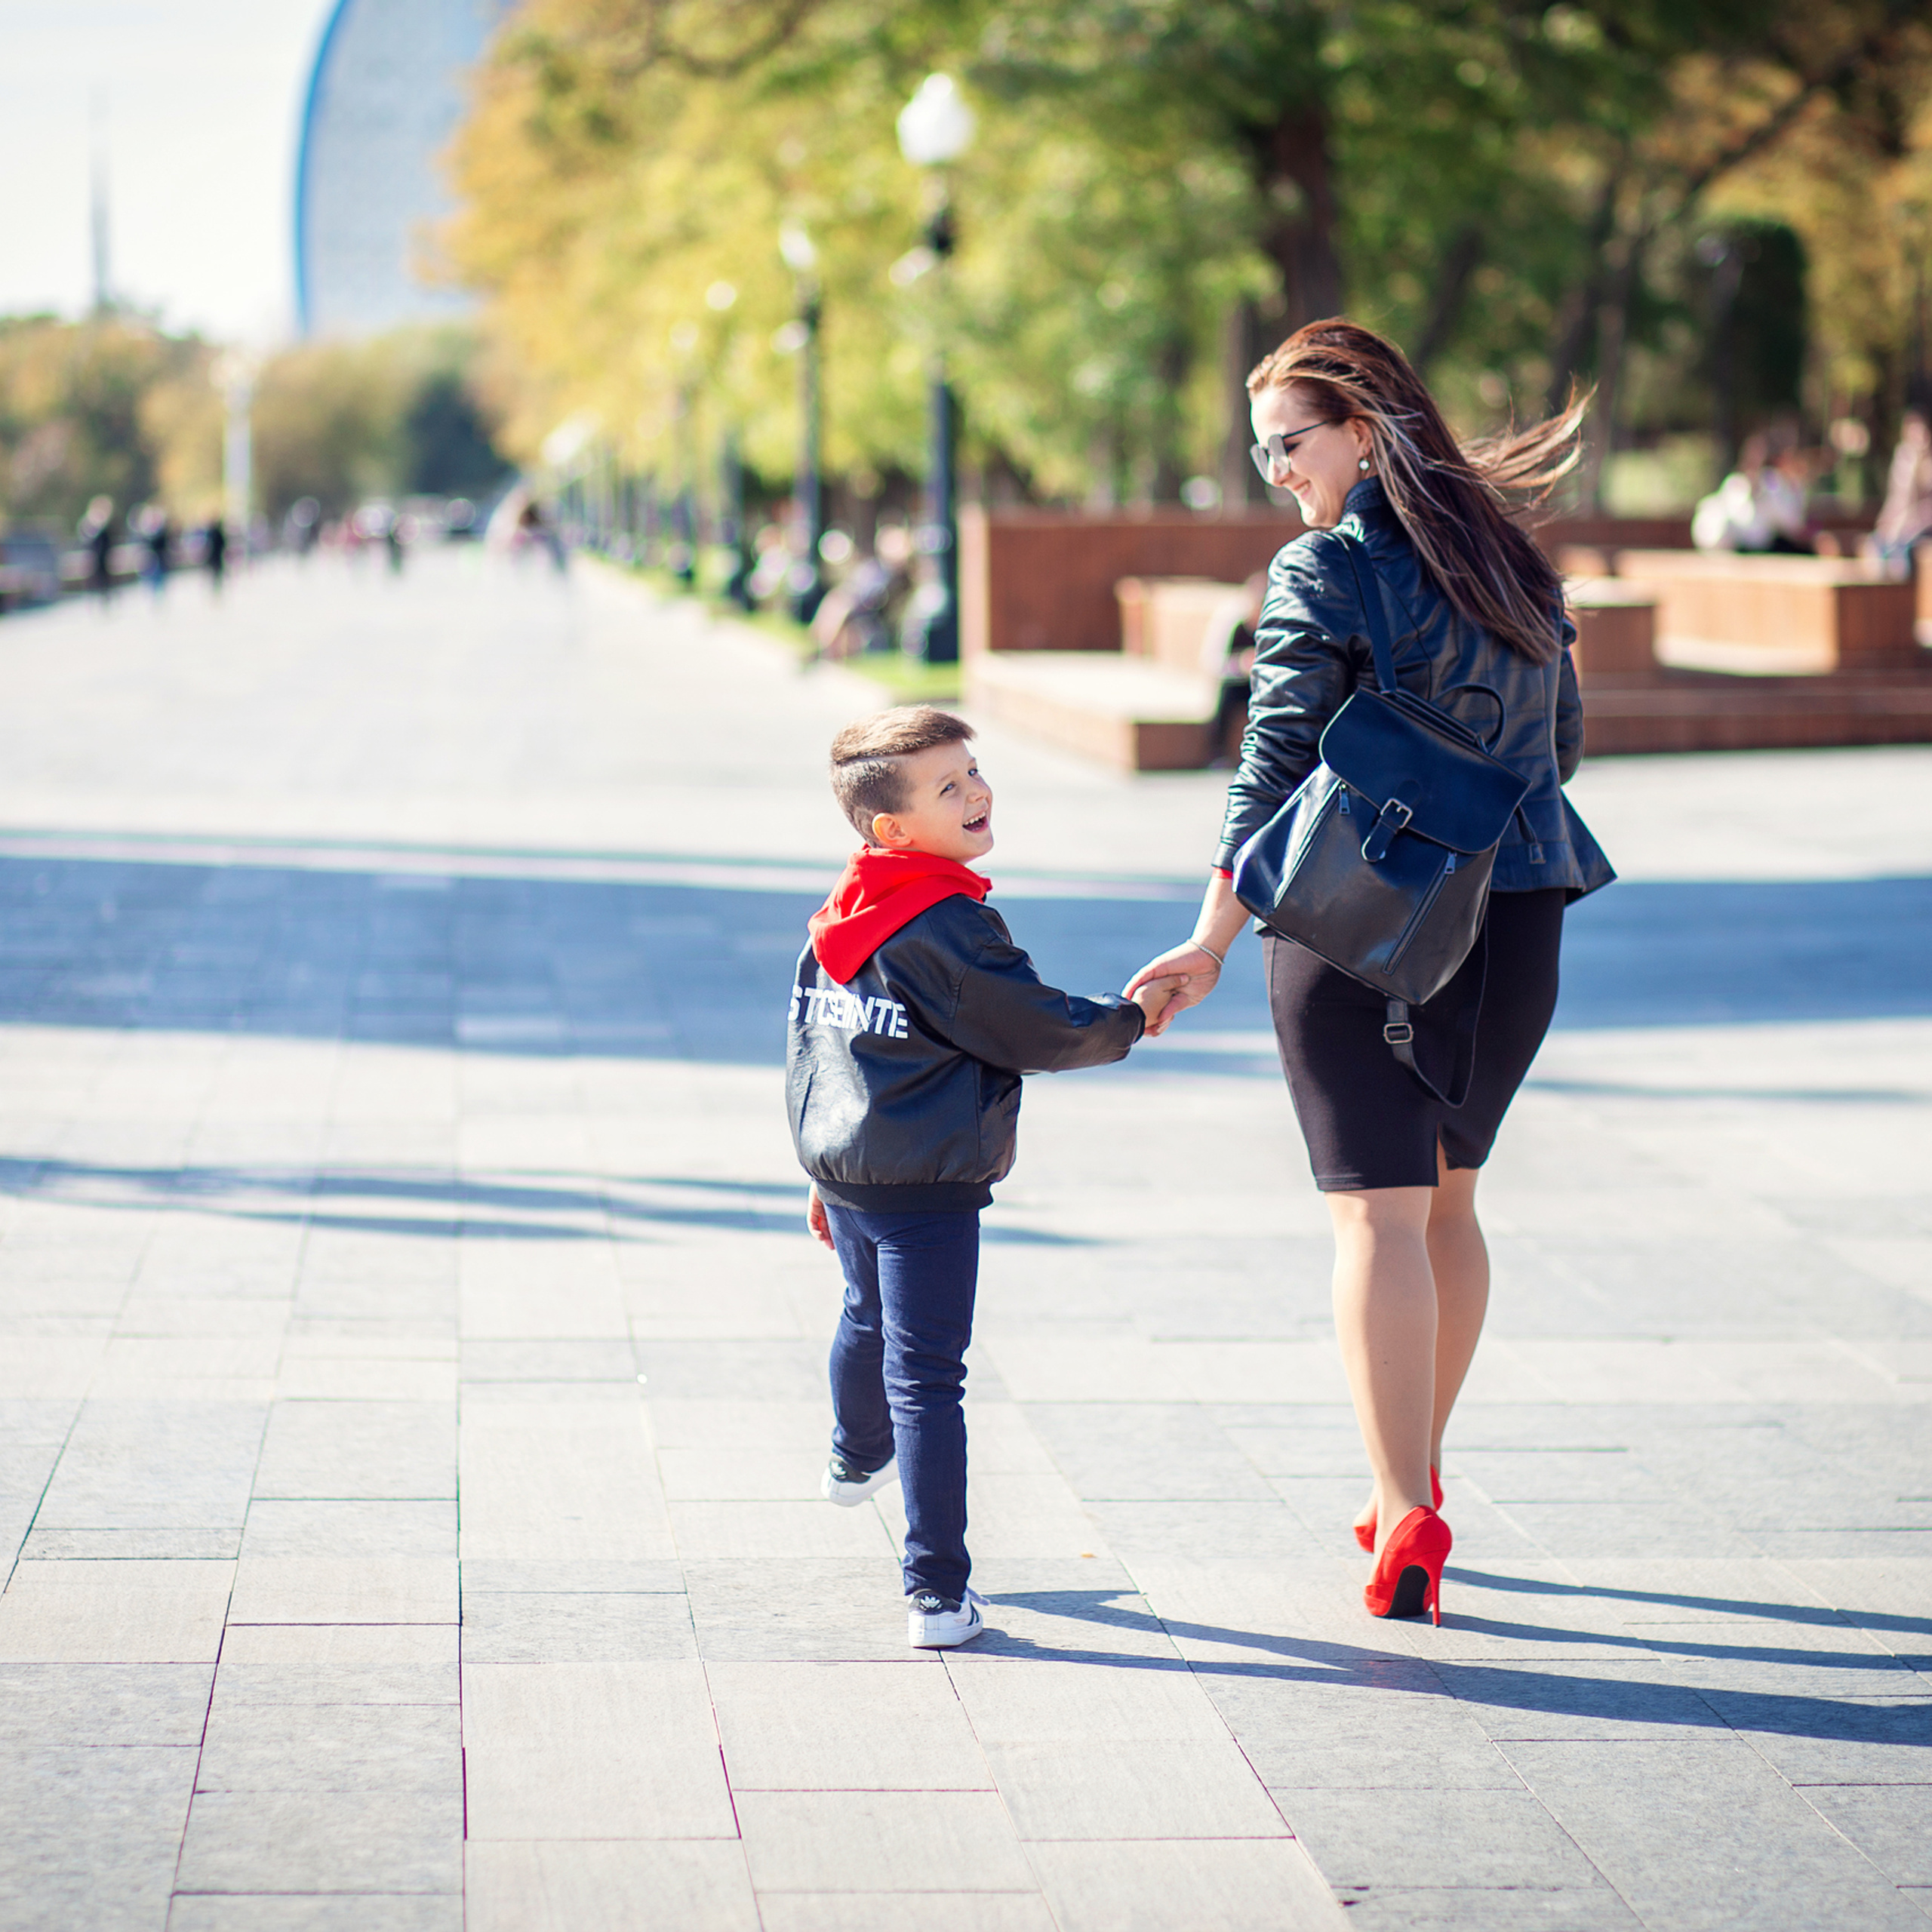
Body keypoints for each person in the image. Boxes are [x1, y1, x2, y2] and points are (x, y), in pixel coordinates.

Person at [1125, 318, 1614, 1624]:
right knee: (1448, 1210)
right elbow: (1558, 751)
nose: (1273, 468)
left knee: (1376, 1219)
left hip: (1364, 918)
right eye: (1260, 448)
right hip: (1521, 912)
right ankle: (1420, 1480)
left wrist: (1211, 942)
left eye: (1288, 443)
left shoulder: (1322, 570)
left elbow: (1272, 768)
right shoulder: (1517, 566)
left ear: (1362, 428)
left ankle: (1404, 1507)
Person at [789, 706, 1179, 1648]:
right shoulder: (946, 925)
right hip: (924, 1185)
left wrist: (822, 1161)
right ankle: (935, 1592)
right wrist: (1131, 1018)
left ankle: (854, 1453)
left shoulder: (845, 907)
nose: (976, 793)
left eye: (973, 772)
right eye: (948, 787)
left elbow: (818, 1042)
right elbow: (1034, 1022)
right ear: (892, 829)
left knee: (862, 1316)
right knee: (926, 1375)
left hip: (850, 1166)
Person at [1874, 409, 1932, 573]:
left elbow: (1919, 502)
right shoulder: (1903, 459)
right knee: (1877, 546)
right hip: (1903, 523)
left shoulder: (1927, 462)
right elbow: (1898, 498)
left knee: (1901, 552)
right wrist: (1887, 520)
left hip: (1921, 525)